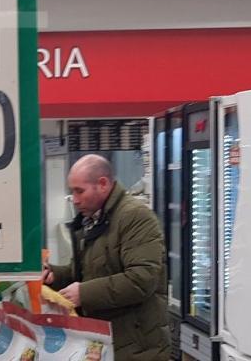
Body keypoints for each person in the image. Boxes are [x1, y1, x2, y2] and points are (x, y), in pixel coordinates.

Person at [43, 154, 169, 361]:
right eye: (72, 192)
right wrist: (53, 275)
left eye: (79, 191)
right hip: (105, 344)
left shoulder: (135, 217)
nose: (74, 200)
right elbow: (84, 274)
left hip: (136, 349)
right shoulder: (93, 220)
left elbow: (142, 279)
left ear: (102, 184)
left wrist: (83, 293)